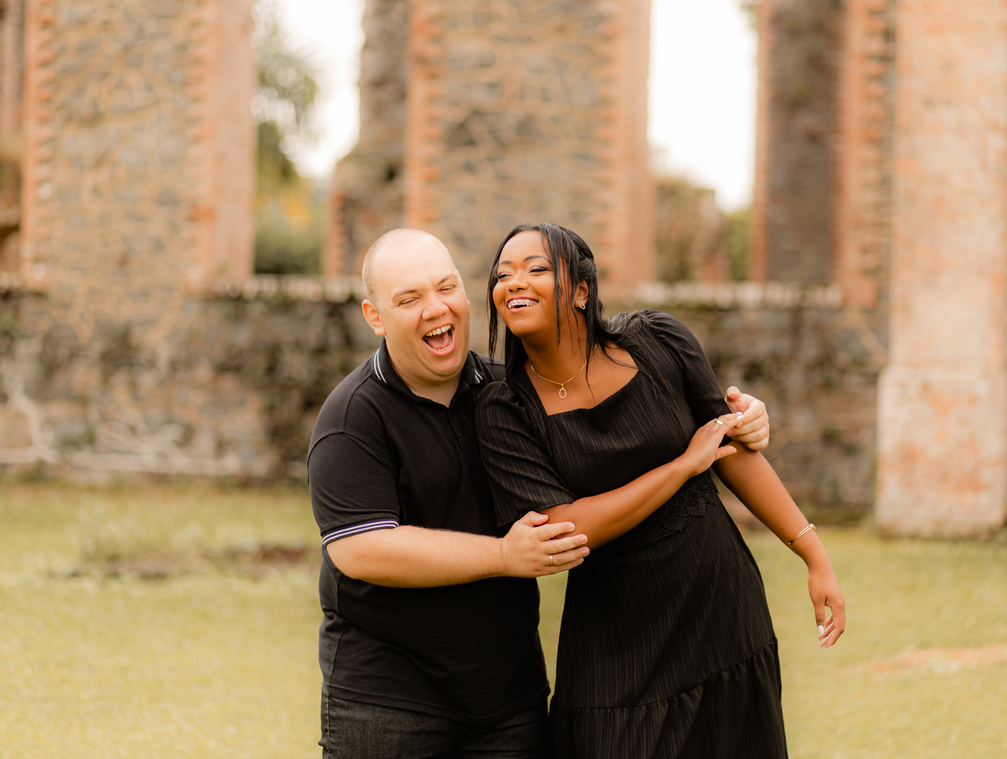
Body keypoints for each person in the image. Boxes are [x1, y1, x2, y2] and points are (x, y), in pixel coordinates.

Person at [306, 228, 773, 758]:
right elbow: (361, 549)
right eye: (409, 299)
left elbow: (619, 444)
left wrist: (738, 419)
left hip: (509, 701)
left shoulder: (511, 397)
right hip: (389, 702)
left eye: (447, 287)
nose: (435, 309)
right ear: (375, 316)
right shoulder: (352, 418)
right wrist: (504, 554)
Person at [476, 223, 847, 759]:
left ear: (580, 290)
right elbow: (565, 527)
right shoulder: (504, 410)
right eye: (502, 274)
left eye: (536, 268)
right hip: (615, 645)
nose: (514, 283)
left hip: (721, 613)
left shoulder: (656, 341)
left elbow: (732, 449)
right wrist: (681, 468)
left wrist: (813, 554)